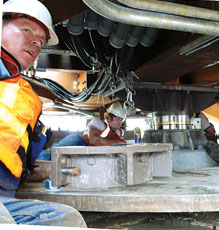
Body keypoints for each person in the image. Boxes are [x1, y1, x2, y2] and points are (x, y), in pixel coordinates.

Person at [0, 0, 86, 227]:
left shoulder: (26, 97)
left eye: (42, 39)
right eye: (26, 29)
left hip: (5, 196)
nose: (36, 41)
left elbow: (18, 161)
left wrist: (49, 170)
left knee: (68, 220)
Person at [37, 101, 127, 161]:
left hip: (89, 153)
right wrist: (117, 143)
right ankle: (35, 165)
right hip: (79, 141)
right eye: (119, 119)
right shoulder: (98, 123)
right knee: (54, 153)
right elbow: (94, 140)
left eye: (122, 120)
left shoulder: (118, 133)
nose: (121, 122)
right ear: (111, 117)